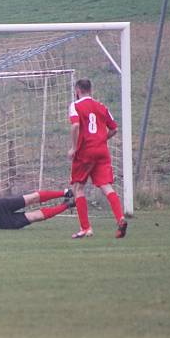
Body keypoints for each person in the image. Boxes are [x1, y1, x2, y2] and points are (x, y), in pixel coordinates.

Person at [66, 78, 128, 239]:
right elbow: (114, 129)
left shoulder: (75, 105)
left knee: (78, 188)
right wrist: (102, 139)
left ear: (77, 91)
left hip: (85, 152)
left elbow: (75, 125)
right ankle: (120, 218)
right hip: (102, 151)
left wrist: (73, 147)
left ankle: (86, 228)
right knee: (106, 186)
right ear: (91, 90)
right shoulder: (102, 107)